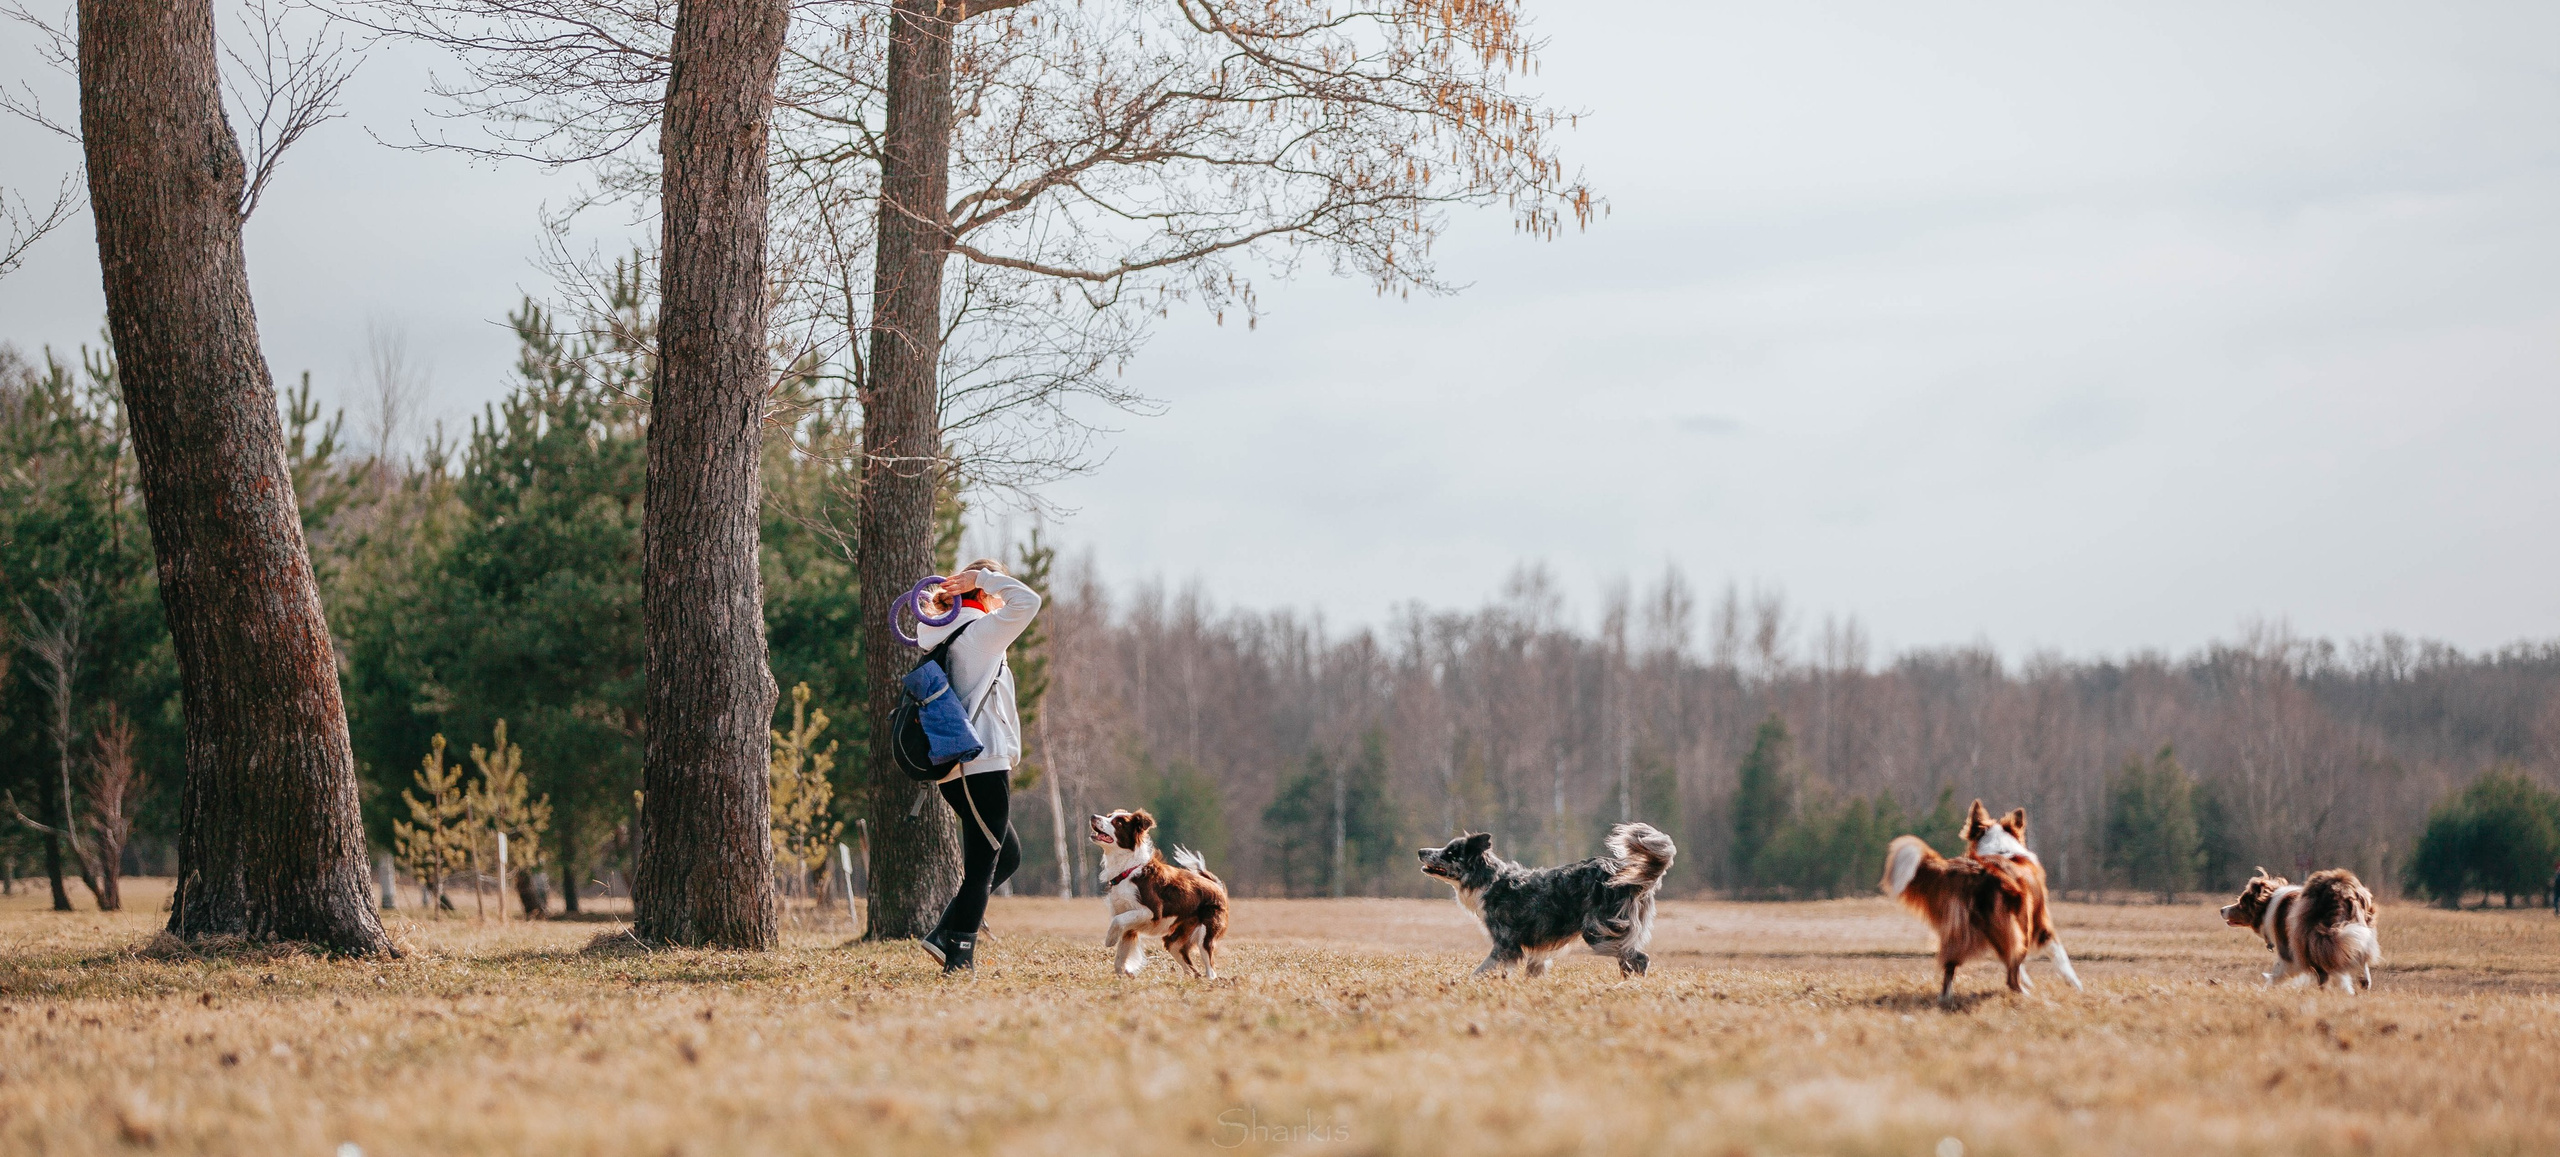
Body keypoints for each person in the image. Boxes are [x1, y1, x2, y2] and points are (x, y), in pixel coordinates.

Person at [912, 558, 1039, 972]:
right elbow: (1029, 600)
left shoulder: (938, 630)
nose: (1001, 599)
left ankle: (943, 932)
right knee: (985, 864)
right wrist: (984, 578)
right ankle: (959, 954)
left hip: (957, 769)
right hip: (982, 763)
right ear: (982, 593)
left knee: (1008, 855)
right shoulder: (982, 633)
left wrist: (970, 587)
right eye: (994, 593)